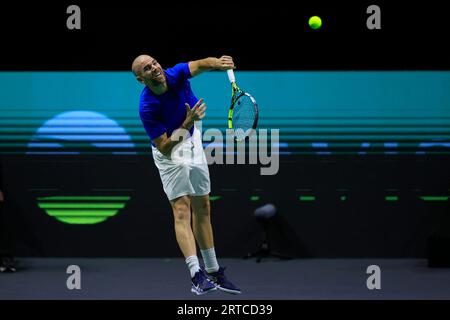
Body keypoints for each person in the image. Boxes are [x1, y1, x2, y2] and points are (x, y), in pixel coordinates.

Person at [132, 54, 241, 295]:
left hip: (193, 139)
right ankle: (195, 275)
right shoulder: (147, 106)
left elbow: (201, 64)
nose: (154, 68)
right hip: (170, 152)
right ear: (142, 80)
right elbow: (164, 147)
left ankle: (213, 271)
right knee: (182, 209)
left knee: (203, 205)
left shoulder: (175, 73)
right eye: (147, 69)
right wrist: (186, 121)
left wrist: (220, 64)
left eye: (154, 63)